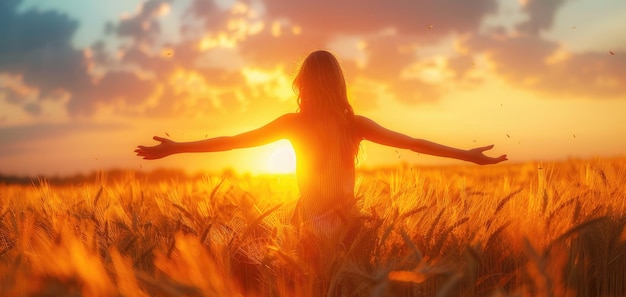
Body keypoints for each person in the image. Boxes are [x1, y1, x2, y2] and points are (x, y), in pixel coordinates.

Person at [135, 50, 507, 235]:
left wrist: (179, 145)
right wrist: (465, 156)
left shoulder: (295, 124)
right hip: (348, 226)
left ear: (305, 84)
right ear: (339, 84)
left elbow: (233, 142)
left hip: (313, 227)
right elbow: (413, 143)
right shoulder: (353, 124)